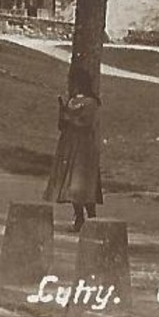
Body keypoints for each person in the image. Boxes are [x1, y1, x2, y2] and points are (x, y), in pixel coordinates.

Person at [44, 68, 103, 231]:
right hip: (68, 144)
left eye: (74, 82)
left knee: (83, 182)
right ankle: (79, 218)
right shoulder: (72, 100)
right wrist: (62, 112)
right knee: (71, 183)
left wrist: (70, 117)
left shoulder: (91, 102)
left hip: (83, 146)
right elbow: (62, 125)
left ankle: (92, 218)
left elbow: (86, 124)